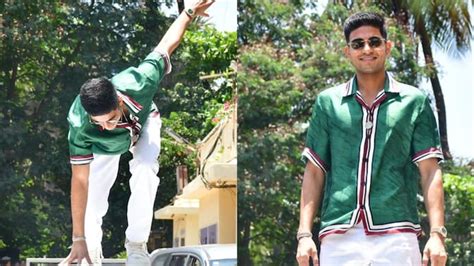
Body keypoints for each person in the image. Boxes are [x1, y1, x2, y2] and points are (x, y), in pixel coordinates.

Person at [60, 1, 214, 265]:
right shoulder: (81, 127)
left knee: (145, 166)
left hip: (143, 123)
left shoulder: (139, 80)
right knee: (95, 192)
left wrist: (189, 12)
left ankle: (136, 243)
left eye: (110, 119)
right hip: (102, 149)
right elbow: (80, 182)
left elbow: (167, 45)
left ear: (119, 101)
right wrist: (78, 239)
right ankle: (91, 249)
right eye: (98, 122)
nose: (106, 127)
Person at [296, 12, 447, 266]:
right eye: (358, 44)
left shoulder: (413, 101)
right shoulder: (328, 103)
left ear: (387, 47)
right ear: (348, 52)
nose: (367, 49)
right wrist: (304, 235)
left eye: (374, 42)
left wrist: (437, 234)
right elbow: (314, 171)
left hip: (397, 234)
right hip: (339, 235)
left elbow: (430, 171)